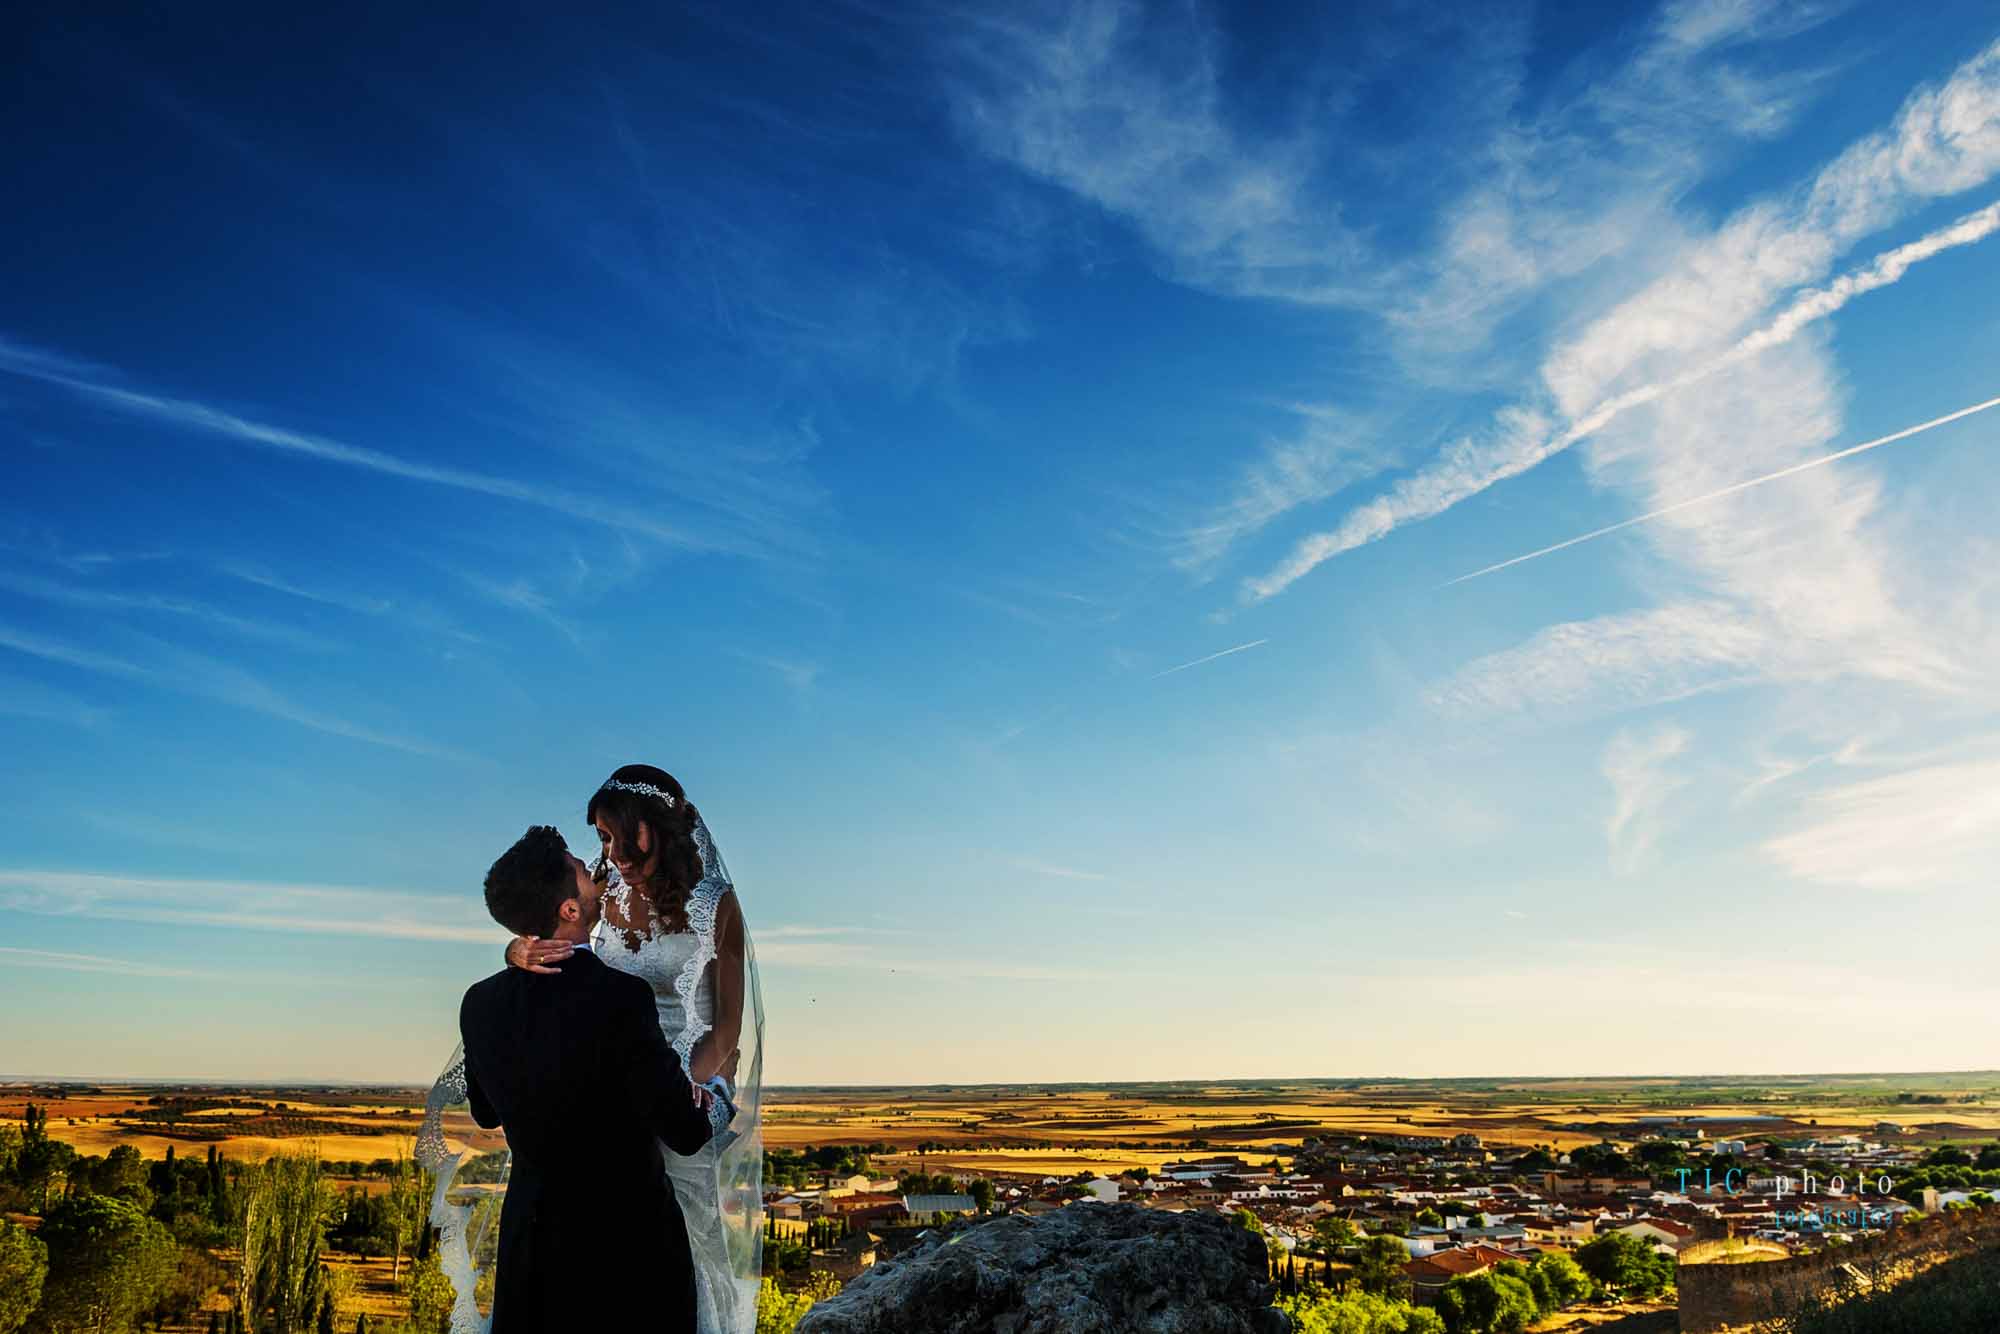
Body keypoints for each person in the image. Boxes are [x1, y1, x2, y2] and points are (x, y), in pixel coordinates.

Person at [503, 766, 766, 1334]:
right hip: (609, 1093)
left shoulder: (716, 906)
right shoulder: (603, 895)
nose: (612, 852)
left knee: (687, 1244)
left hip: (687, 1086)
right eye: (600, 837)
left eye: (621, 833)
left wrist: (672, 1089)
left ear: (659, 827)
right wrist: (514, 949)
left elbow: (726, 1030)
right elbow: (551, 929)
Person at [456, 825, 718, 1333]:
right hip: (626, 1258)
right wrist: (711, 1095)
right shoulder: (621, 999)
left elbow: (485, 1111)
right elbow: (685, 1133)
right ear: (569, 910)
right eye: (581, 870)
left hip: (530, 1254)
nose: (594, 872)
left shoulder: (479, 1003)